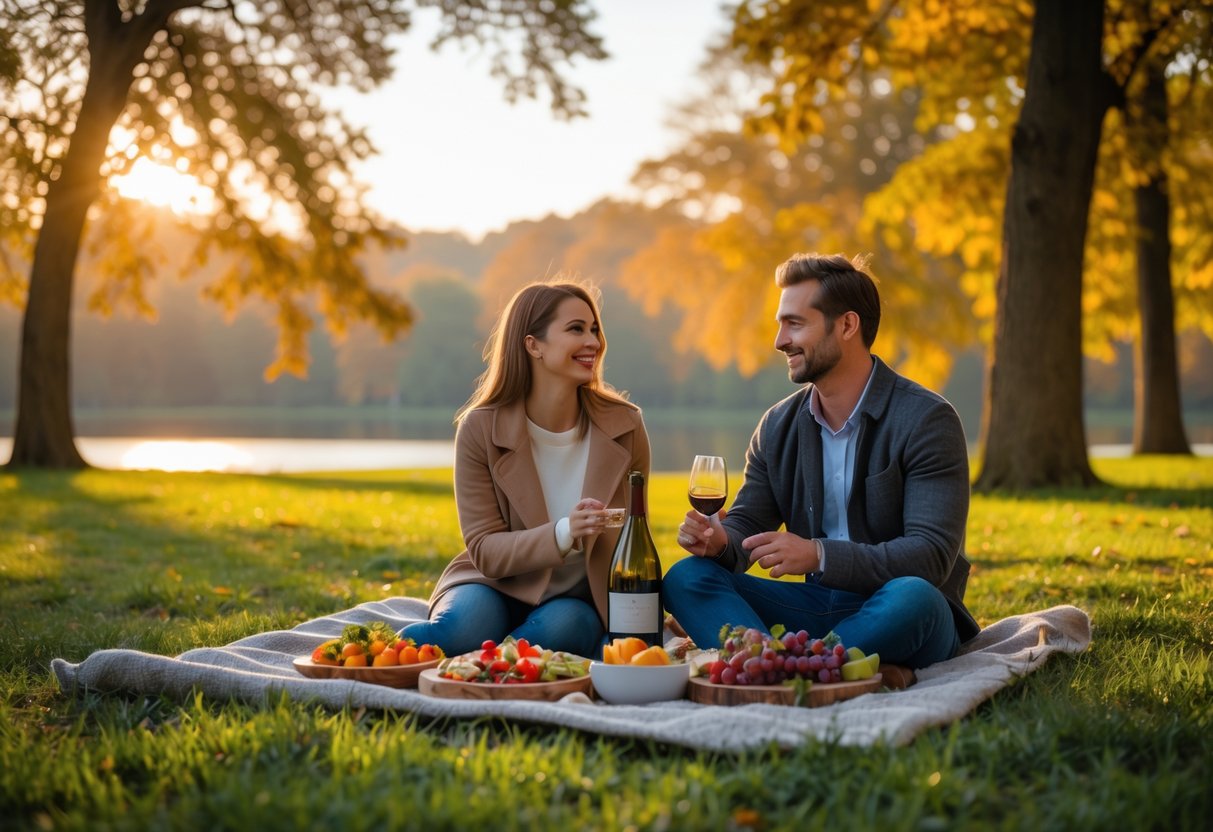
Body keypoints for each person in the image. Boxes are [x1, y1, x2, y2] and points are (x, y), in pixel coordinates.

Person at [664, 253, 979, 669]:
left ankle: (778, 665)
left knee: (915, 597)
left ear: (847, 325)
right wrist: (720, 542)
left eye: (795, 323)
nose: (779, 341)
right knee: (687, 578)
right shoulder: (777, 425)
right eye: (780, 324)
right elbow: (746, 527)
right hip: (813, 607)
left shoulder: (926, 419)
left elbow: (931, 556)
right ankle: (793, 665)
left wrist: (819, 555)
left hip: (897, 608)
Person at [399, 281, 650, 659]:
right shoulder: (480, 429)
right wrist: (566, 531)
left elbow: (636, 535)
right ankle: (361, 652)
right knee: (459, 631)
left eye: (595, 329)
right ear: (533, 345)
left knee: (566, 630)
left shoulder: (626, 426)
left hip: (575, 597)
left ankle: (489, 665)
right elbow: (484, 548)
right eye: (576, 329)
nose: (593, 342)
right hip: (493, 583)